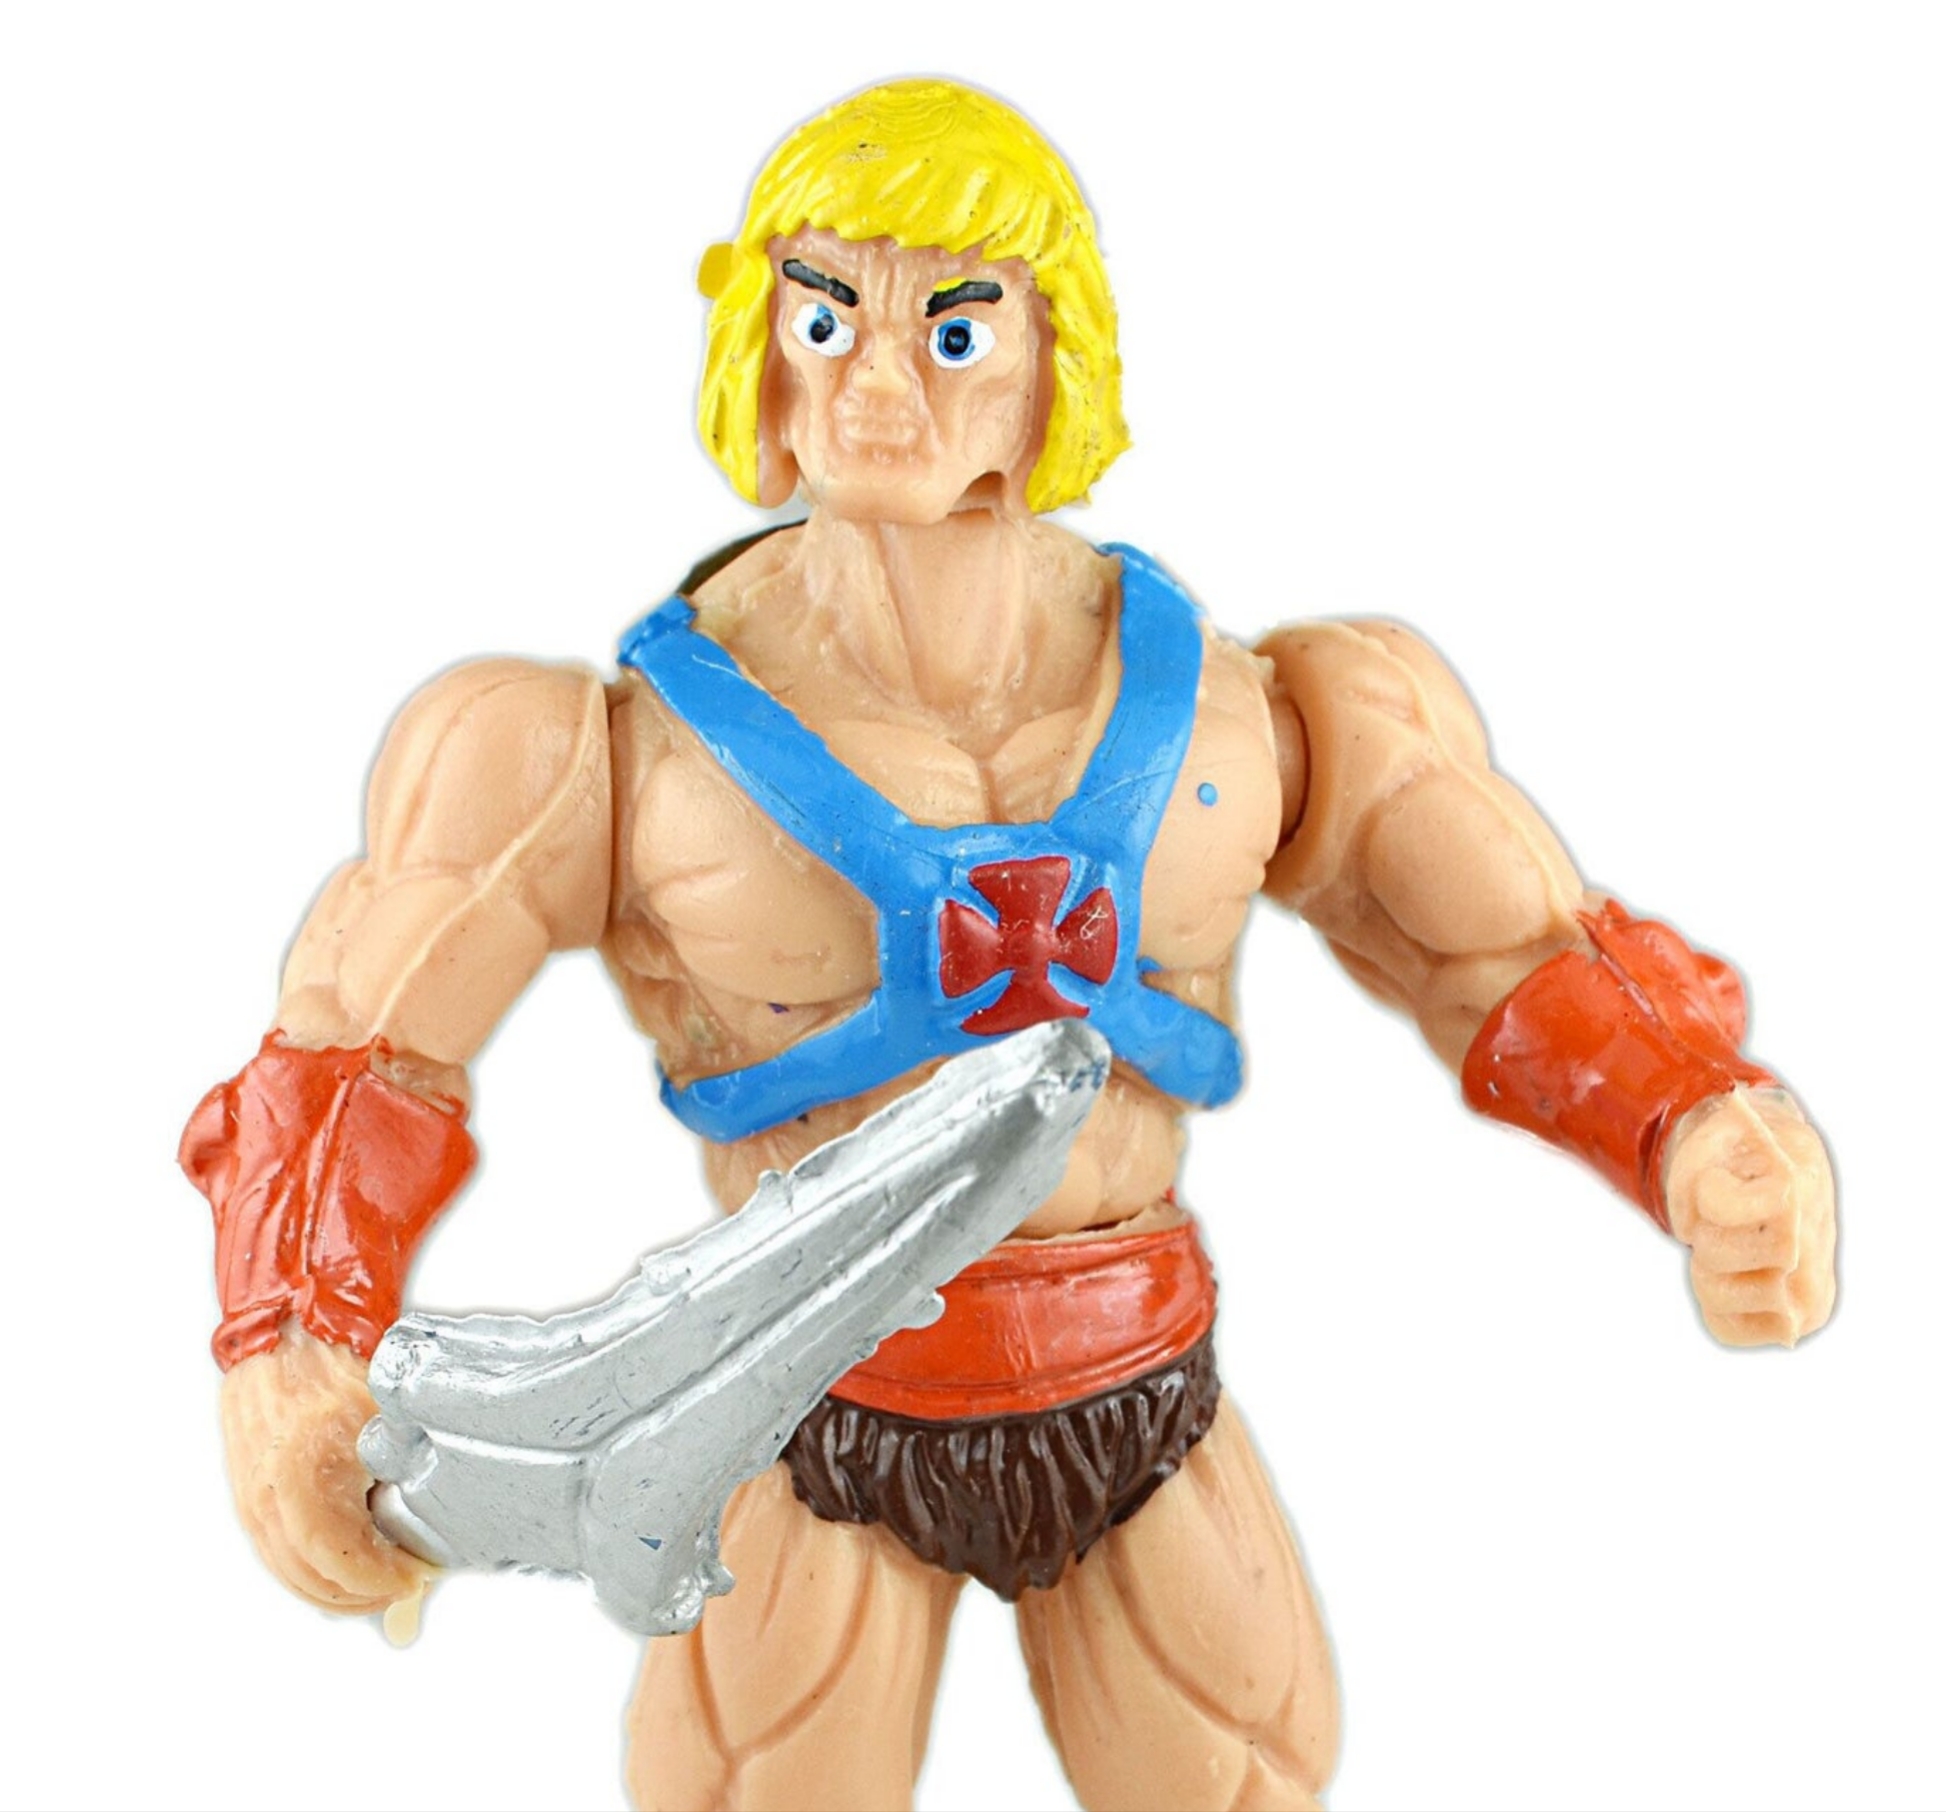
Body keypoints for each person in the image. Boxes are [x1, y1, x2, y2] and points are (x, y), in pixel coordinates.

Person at [180, 78, 1837, 1812]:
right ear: (762, 354)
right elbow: (353, 1050)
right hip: (800, 1397)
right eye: (828, 320)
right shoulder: (586, 752)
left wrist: (1701, 1126)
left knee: (1239, 1785)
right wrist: (286, 1350)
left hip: (1138, 1382)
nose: (879, 387)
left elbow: (1508, 961)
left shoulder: (1266, 712)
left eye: (954, 330)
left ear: (1056, 366)